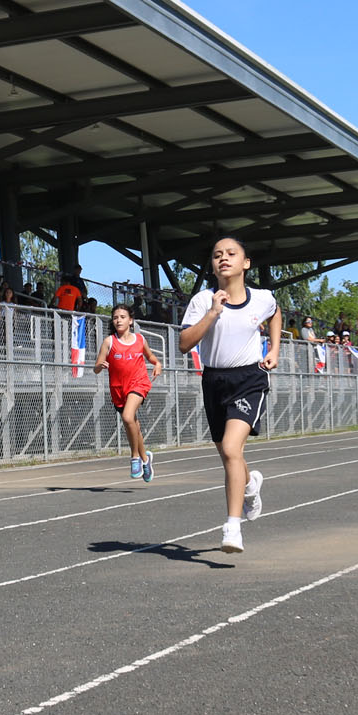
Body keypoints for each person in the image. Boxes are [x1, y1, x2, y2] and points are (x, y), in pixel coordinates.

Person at [178, 236, 281, 554]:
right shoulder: (202, 300)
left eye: (231, 253)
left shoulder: (262, 299)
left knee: (231, 447)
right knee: (228, 455)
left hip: (248, 378)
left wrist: (274, 349)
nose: (223, 258)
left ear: (245, 263)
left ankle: (232, 527)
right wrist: (211, 314)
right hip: (214, 380)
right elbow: (184, 344)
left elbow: (275, 313)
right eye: (217, 255)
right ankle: (250, 485)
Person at [94, 305, 162, 483]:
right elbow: (96, 367)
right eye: (115, 317)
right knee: (133, 424)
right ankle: (146, 460)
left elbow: (151, 356)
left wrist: (157, 364)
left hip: (139, 383)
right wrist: (100, 366)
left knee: (127, 417)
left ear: (130, 320)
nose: (118, 320)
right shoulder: (109, 342)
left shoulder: (139, 339)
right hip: (118, 389)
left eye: (122, 317)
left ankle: (134, 457)